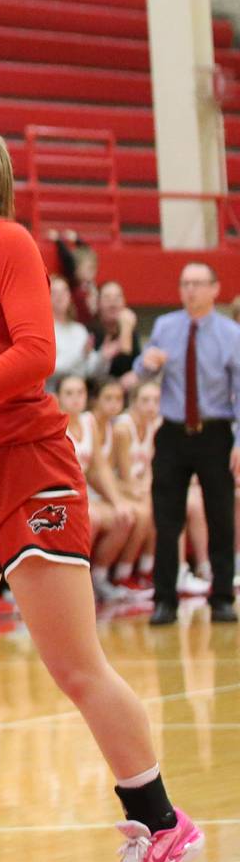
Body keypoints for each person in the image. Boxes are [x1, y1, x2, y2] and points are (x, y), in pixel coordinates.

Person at [0, 113, 202, 862]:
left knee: (72, 662)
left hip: (29, 468)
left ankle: (162, 823)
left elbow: (35, 353)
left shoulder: (6, 243)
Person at [133, 261, 240, 627]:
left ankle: (222, 596)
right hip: (174, 432)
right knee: (167, 517)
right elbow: (141, 371)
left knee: (220, 515)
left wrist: (239, 441)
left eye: (197, 283)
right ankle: (164, 599)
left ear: (215, 288)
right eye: (184, 284)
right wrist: (146, 363)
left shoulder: (230, 334)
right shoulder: (165, 326)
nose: (190, 290)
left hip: (215, 432)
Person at [55, 374, 136, 604]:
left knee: (126, 517)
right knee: (93, 519)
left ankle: (99, 577)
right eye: (69, 393)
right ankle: (72, 583)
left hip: (84, 496)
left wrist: (118, 501)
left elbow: (99, 469)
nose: (76, 399)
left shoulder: (89, 422)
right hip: (62, 497)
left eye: (80, 393)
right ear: (58, 398)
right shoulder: (55, 423)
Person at [93, 377, 154, 595]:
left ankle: (127, 574)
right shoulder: (115, 428)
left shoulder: (111, 426)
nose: (113, 404)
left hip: (109, 492)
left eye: (118, 398)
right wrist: (124, 495)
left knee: (145, 511)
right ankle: (106, 576)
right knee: (132, 514)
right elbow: (96, 473)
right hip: (93, 494)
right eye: (108, 398)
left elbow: (106, 471)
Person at [113, 381, 160, 592]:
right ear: (133, 402)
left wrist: (147, 488)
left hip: (136, 488)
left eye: (156, 401)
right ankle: (122, 574)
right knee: (144, 513)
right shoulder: (123, 428)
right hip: (118, 487)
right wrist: (140, 491)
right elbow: (123, 474)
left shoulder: (154, 425)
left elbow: (151, 468)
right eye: (145, 401)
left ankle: (146, 570)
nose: (151, 406)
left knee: (164, 506)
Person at [48, 275, 104, 391]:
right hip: (52, 393)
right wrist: (81, 355)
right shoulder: (44, 330)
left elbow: (89, 370)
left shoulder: (79, 330)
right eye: (55, 292)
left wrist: (104, 356)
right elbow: (51, 368)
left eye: (64, 291)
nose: (60, 296)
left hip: (80, 392)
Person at [92, 281, 140, 382]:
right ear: (98, 303)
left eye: (117, 298)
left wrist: (126, 330)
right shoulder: (91, 332)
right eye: (107, 298)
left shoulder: (130, 331)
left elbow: (128, 367)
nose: (113, 303)